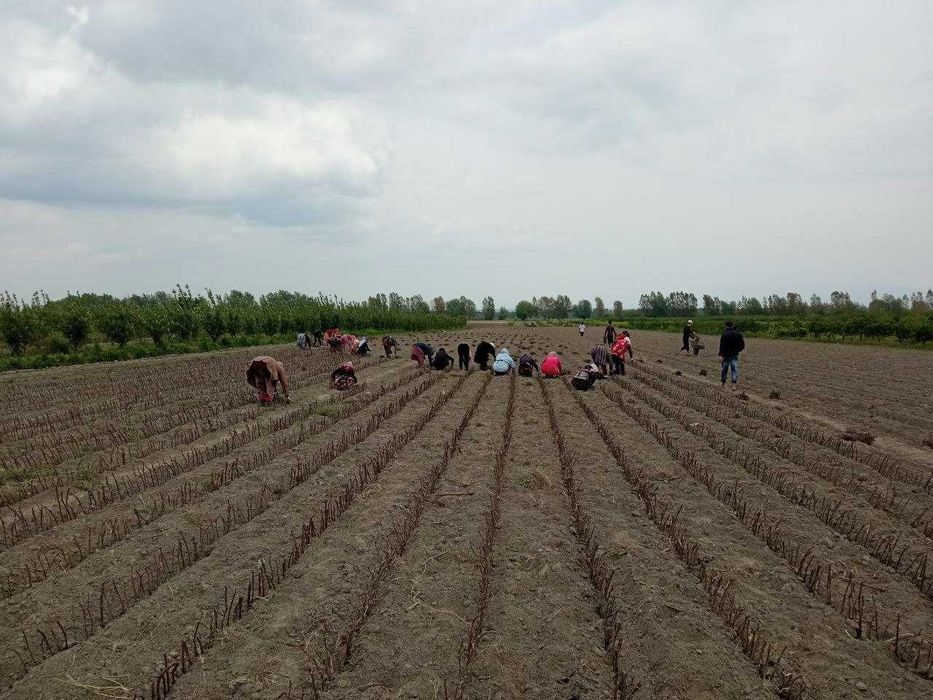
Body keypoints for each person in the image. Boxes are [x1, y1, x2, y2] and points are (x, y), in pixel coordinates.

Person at [718, 321, 746, 389]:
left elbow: (722, 346)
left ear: (726, 326)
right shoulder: (738, 334)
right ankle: (734, 384)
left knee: (724, 369)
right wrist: (738, 350)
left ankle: (723, 384)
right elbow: (742, 345)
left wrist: (720, 354)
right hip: (734, 354)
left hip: (725, 355)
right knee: (734, 369)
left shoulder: (724, 334)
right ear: (732, 325)